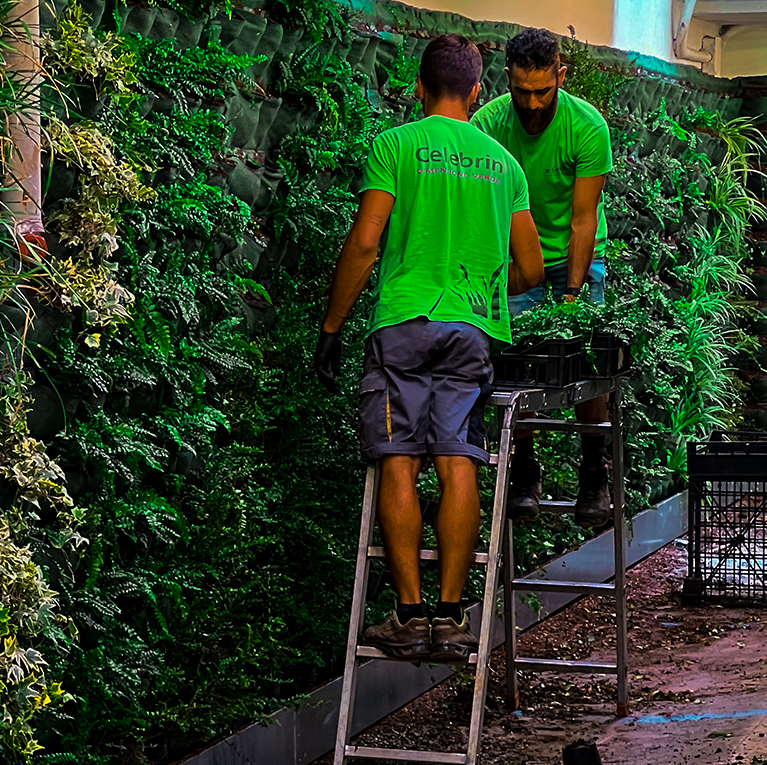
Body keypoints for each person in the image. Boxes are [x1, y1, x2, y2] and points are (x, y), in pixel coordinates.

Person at [312, 34, 544, 661]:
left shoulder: (396, 146)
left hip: (402, 327)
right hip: (472, 332)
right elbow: (530, 266)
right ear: (476, 92)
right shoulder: (505, 164)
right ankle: (452, 616)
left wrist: (332, 325)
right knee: (457, 458)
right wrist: (487, 290)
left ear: (417, 88)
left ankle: (409, 617)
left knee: (398, 460)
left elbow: (364, 244)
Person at [470, 27, 616, 529]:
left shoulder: (587, 128)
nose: (531, 103)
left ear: (561, 74)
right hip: (517, 260)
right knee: (516, 367)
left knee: (589, 365)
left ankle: (594, 471)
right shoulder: (487, 125)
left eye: (542, 91)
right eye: (520, 90)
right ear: (505, 77)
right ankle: (524, 471)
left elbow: (583, 220)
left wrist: (573, 295)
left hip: (576, 256)